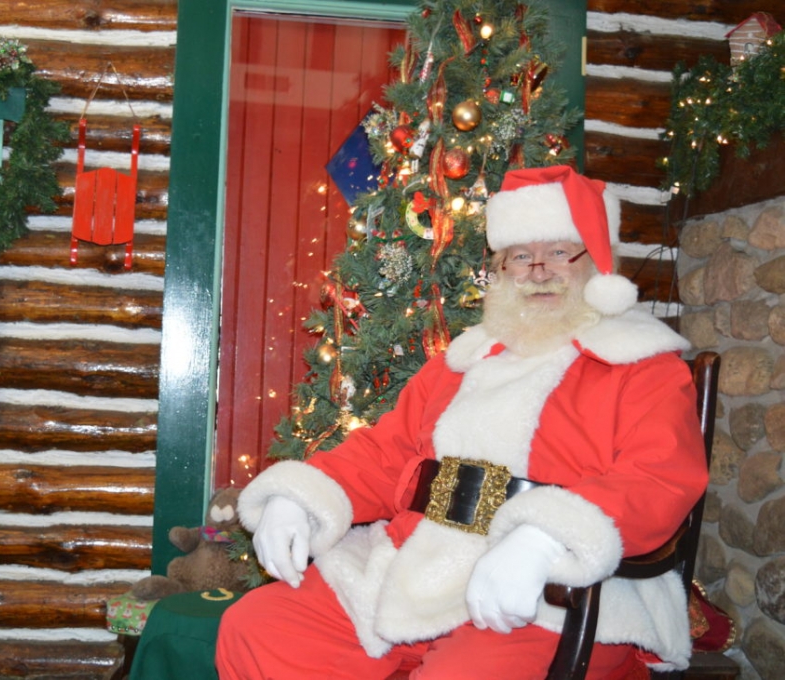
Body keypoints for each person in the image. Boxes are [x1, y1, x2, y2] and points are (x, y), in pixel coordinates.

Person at [215, 165, 708, 679]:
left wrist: (545, 538)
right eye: (520, 255)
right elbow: (388, 455)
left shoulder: (643, 367)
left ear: (597, 260)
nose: (538, 271)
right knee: (260, 628)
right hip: (419, 561)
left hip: (558, 589)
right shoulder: (460, 363)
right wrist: (300, 496)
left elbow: (659, 481)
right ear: (501, 269)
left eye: (560, 251)